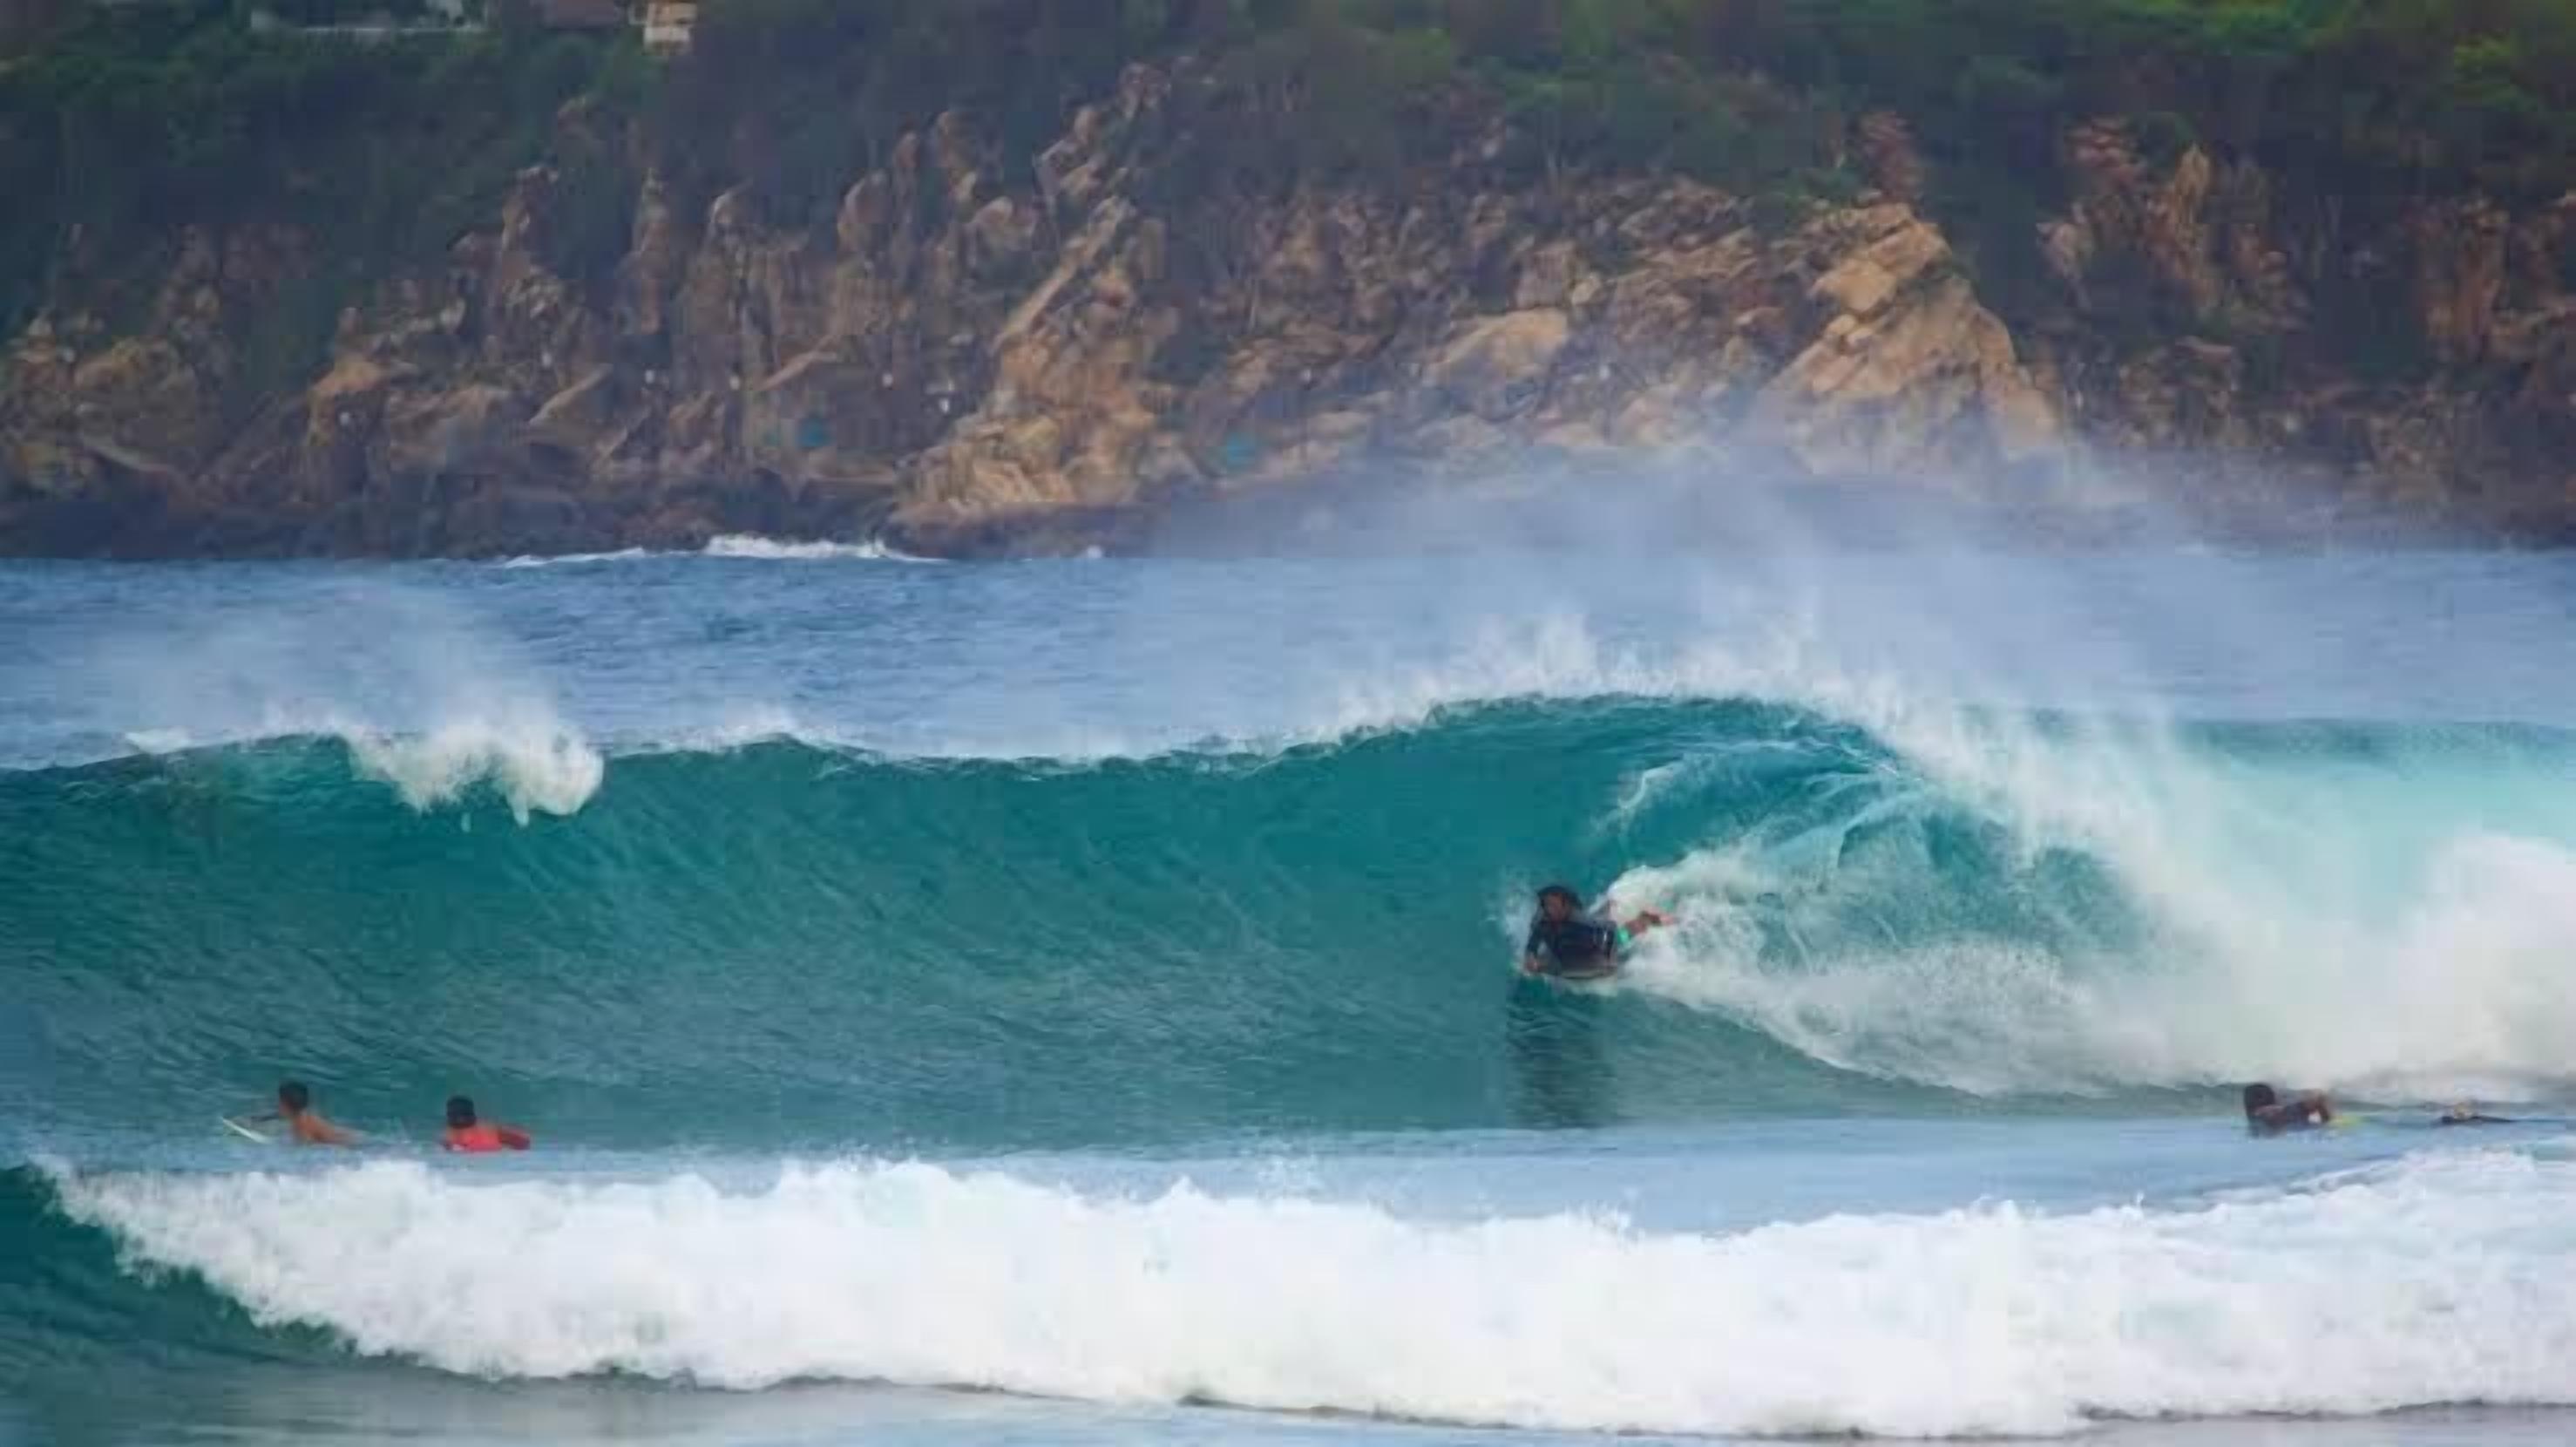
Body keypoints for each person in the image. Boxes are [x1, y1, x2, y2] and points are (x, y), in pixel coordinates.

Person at [1520, 884, 1671, 979]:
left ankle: (1644, 919)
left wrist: (1610, 959)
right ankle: (1605, 910)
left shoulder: (1579, 919)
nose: (1548, 909)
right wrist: (1530, 957)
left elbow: (1611, 929)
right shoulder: (1542, 920)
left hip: (1598, 943)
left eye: (1554, 906)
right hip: (1567, 947)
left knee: (1622, 936)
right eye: (1546, 905)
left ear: (1567, 907)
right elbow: (1532, 943)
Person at [262, 1080, 360, 1146]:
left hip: (347, 1144)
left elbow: (306, 1150)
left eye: (280, 1101)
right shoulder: (300, 1114)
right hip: (348, 1136)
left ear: (286, 1106)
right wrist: (261, 1119)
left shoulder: (302, 1126)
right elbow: (280, 1114)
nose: (277, 1103)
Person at [441, 1096, 532, 1153]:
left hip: (486, 1164)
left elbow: (523, 1143)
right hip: (491, 1163)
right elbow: (524, 1144)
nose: (460, 1120)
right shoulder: (490, 1130)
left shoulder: (448, 1136)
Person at [2241, 1082, 2334, 1135]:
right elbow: (2320, 1099)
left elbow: (2320, 1098)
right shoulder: (2257, 1123)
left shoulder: (2290, 1111)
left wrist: (2326, 1124)